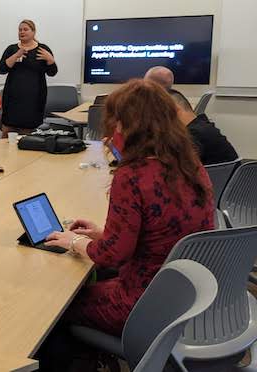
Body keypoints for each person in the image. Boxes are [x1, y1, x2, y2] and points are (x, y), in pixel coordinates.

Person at [37, 79, 214, 370]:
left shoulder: (132, 175)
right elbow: (160, 232)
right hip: (185, 293)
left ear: (127, 124)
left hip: (144, 302)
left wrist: (76, 242)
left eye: (116, 122)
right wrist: (102, 234)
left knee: (57, 306)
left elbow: (113, 256)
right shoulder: (191, 165)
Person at [0, 19, 58, 138]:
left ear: (33, 32)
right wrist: (16, 55)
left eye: (25, 29)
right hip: (12, 100)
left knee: (29, 139)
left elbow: (52, 72)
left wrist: (50, 60)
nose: (22, 32)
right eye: (20, 30)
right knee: (7, 138)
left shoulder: (42, 49)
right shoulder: (12, 49)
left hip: (33, 101)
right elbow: (1, 69)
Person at [168, 88, 239, 165]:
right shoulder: (203, 127)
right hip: (225, 176)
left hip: (215, 176)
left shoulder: (192, 135)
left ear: (174, 110)